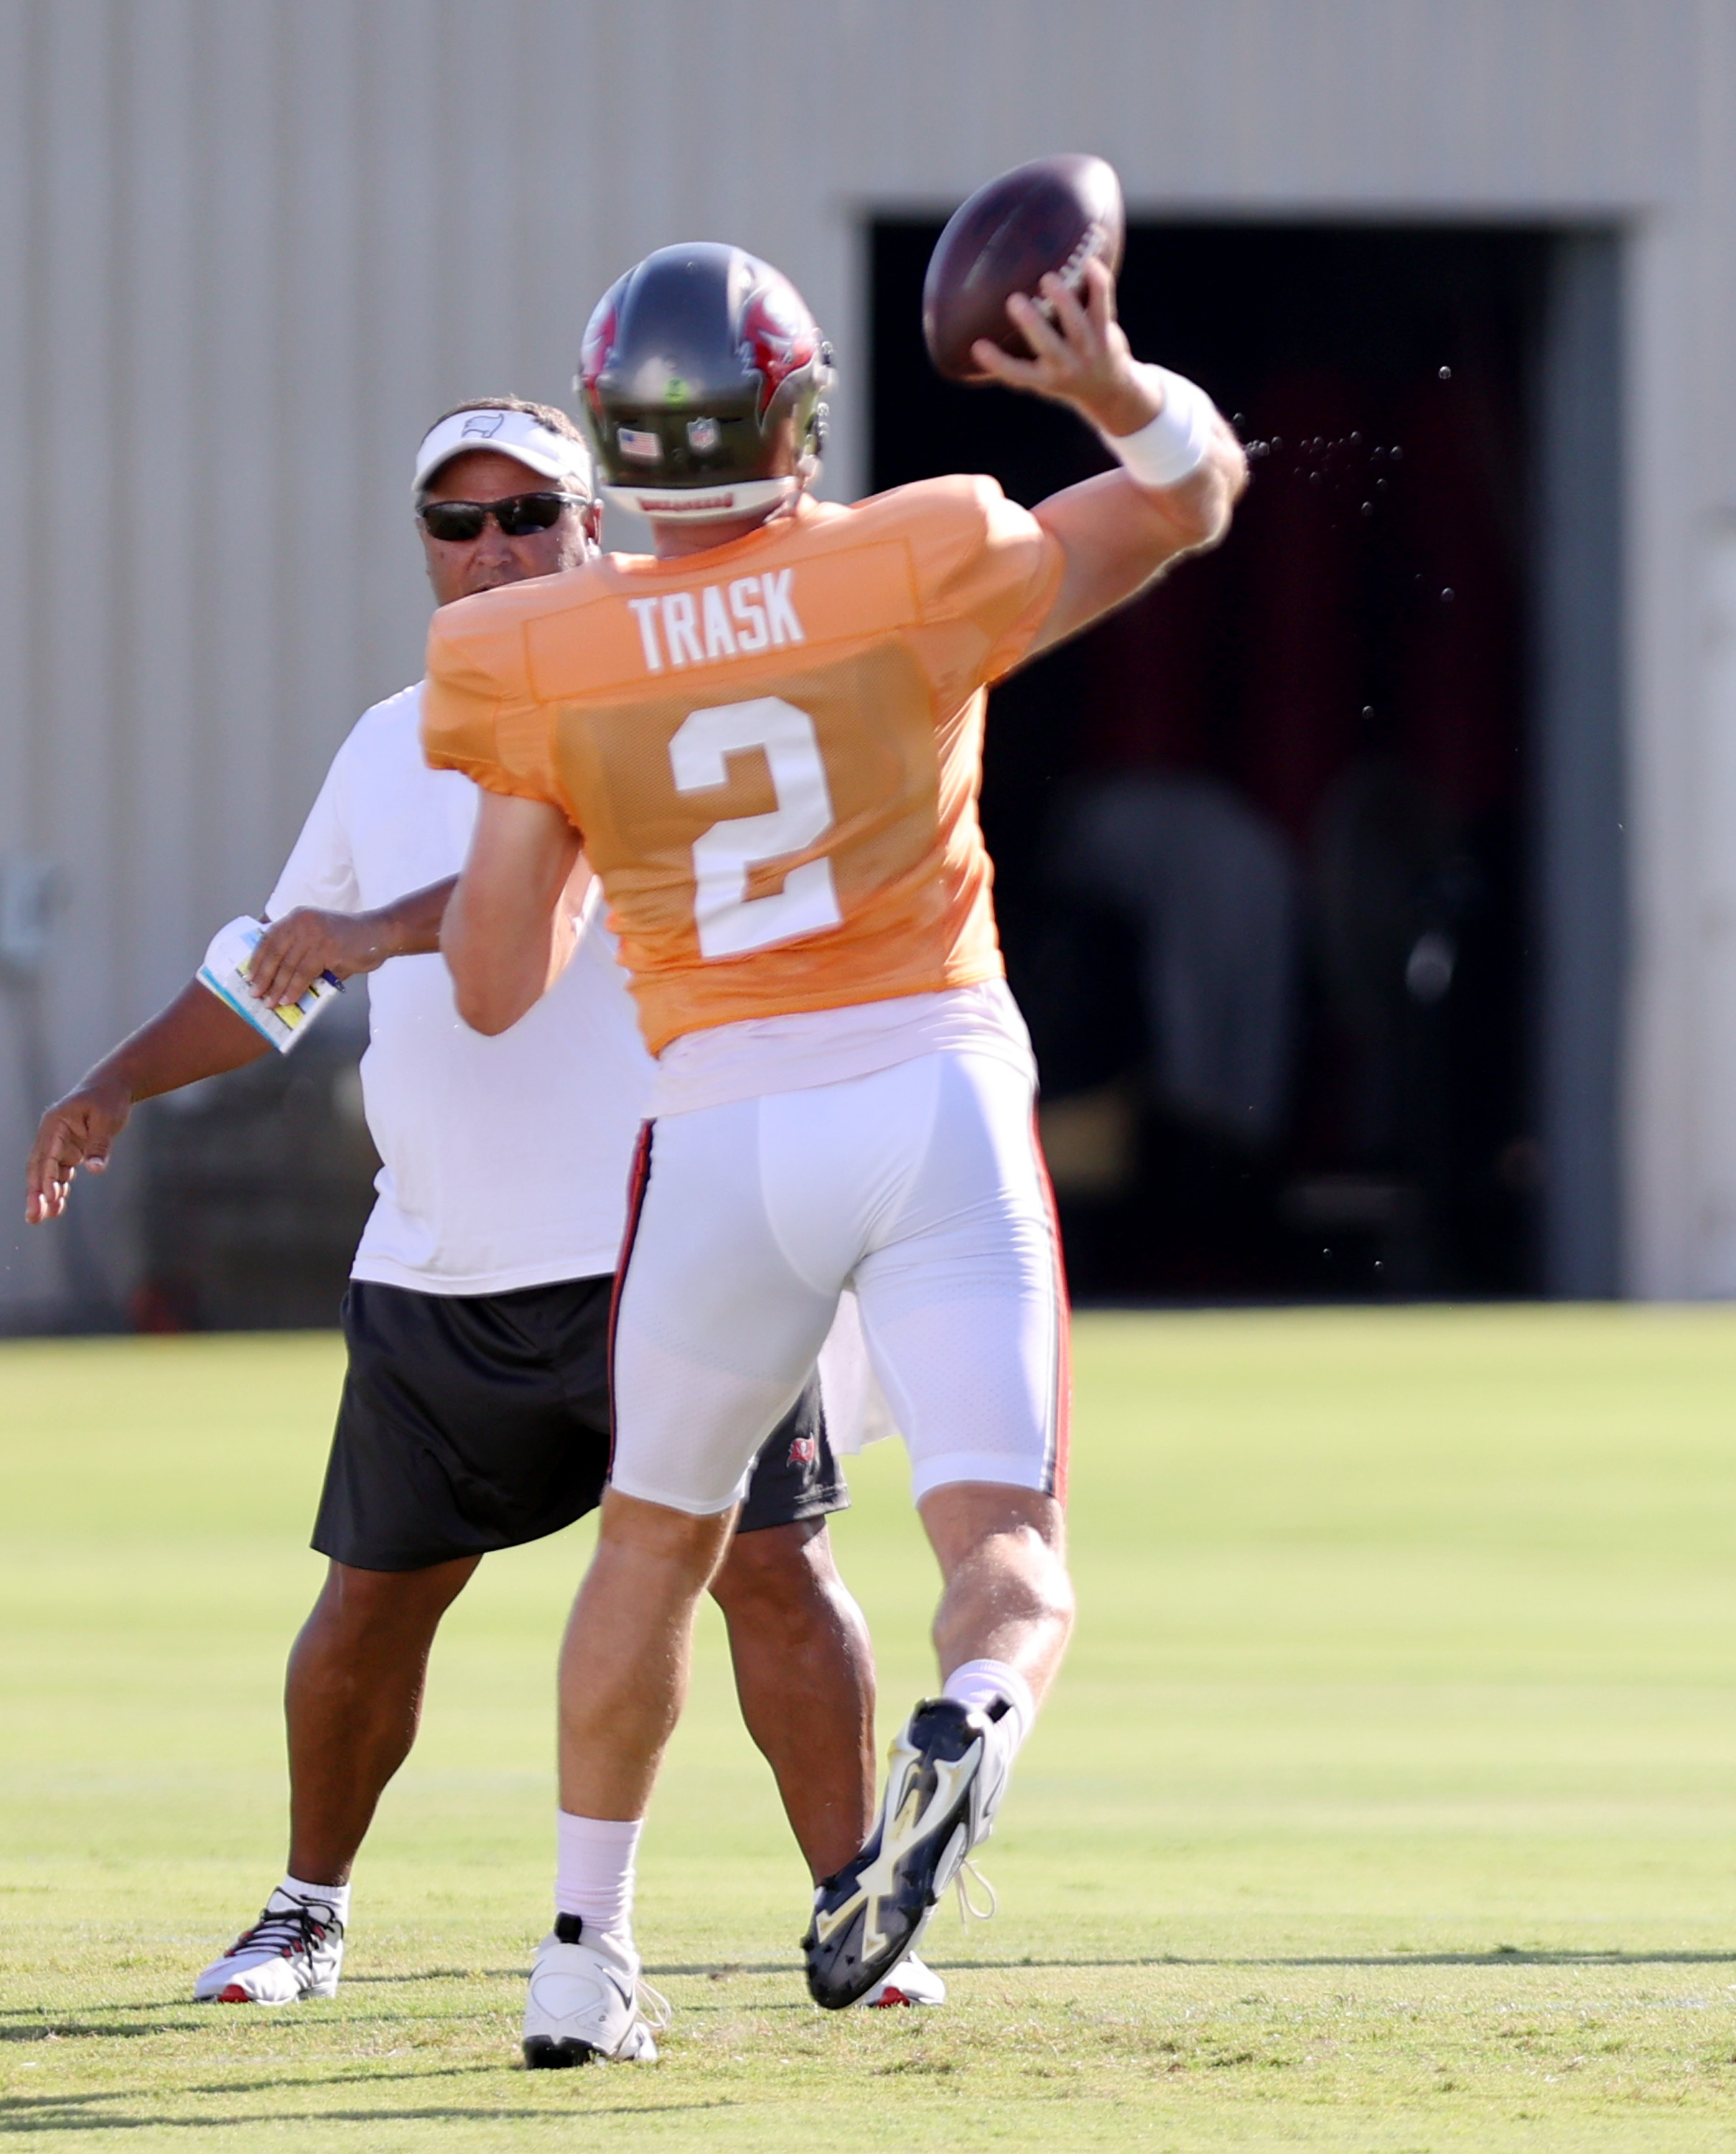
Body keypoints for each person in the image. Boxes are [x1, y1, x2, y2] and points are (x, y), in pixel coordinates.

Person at [423, 241, 1243, 2064]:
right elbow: (1192, 501)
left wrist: (568, 795)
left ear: (616, 445)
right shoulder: (917, 552)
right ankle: (973, 1720)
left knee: (649, 1546)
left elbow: (490, 983)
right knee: (1008, 1547)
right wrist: (1099, 380)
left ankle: (580, 1954)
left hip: (717, 1124)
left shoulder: (519, 643)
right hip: (931, 1084)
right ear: (796, 414)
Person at [19, 399, 946, 2010]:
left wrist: (373, 931)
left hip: (682, 1242)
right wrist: (110, 1085)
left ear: (597, 526)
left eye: (532, 512)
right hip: (442, 1264)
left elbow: (557, 887)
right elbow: (280, 967)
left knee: (771, 1575)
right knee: (371, 1607)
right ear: (426, 552)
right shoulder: (394, 736)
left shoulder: (668, 698)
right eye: (461, 524)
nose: (498, 545)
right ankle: (305, 1913)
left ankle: (858, 1924)